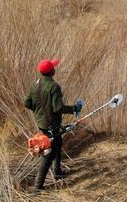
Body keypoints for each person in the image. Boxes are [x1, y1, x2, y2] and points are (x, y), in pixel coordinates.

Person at [24, 58, 83, 190]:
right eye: (53, 67)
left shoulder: (35, 84)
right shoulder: (54, 87)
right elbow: (58, 108)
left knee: (58, 143)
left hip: (42, 124)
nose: (54, 69)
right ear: (52, 72)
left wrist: (39, 112)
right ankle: (37, 187)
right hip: (51, 125)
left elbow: (27, 103)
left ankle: (57, 172)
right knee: (48, 155)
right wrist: (74, 108)